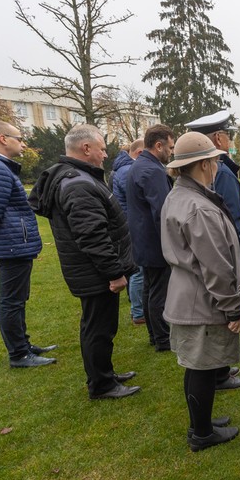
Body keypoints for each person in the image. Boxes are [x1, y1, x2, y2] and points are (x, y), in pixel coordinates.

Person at [28, 125, 139, 399]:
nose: (105, 155)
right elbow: (92, 236)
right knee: (98, 328)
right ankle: (101, 384)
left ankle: (104, 373)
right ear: (86, 148)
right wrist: (114, 273)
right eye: (102, 148)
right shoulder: (78, 184)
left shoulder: (79, 178)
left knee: (99, 326)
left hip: (91, 271)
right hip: (95, 273)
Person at [161, 133, 240, 452]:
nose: (217, 165)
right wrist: (232, 308)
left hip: (190, 297)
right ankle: (201, 433)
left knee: (197, 365)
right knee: (200, 367)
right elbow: (215, 265)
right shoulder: (197, 206)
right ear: (203, 165)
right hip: (201, 302)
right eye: (214, 160)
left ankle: (201, 423)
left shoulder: (182, 195)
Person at [0, 121, 57, 368]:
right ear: (3, 139)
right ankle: (19, 353)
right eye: (19, 138)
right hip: (11, 245)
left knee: (17, 299)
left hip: (13, 243)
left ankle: (24, 345)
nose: (23, 143)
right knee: (12, 301)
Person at [125, 124, 176, 351]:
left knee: (149, 288)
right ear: (159, 145)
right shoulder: (152, 170)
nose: (172, 152)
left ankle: (155, 335)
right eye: (170, 147)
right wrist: (173, 242)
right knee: (159, 292)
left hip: (143, 239)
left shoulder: (138, 166)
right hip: (155, 242)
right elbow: (163, 212)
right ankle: (163, 338)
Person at [185, 111, 240, 249]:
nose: (230, 140)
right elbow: (232, 222)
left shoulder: (194, 171)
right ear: (218, 138)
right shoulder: (222, 173)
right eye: (228, 135)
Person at [111, 138, 145, 326]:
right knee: (138, 269)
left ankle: (139, 308)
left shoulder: (124, 169)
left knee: (136, 269)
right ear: (139, 153)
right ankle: (138, 312)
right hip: (131, 225)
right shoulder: (127, 171)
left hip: (129, 223)